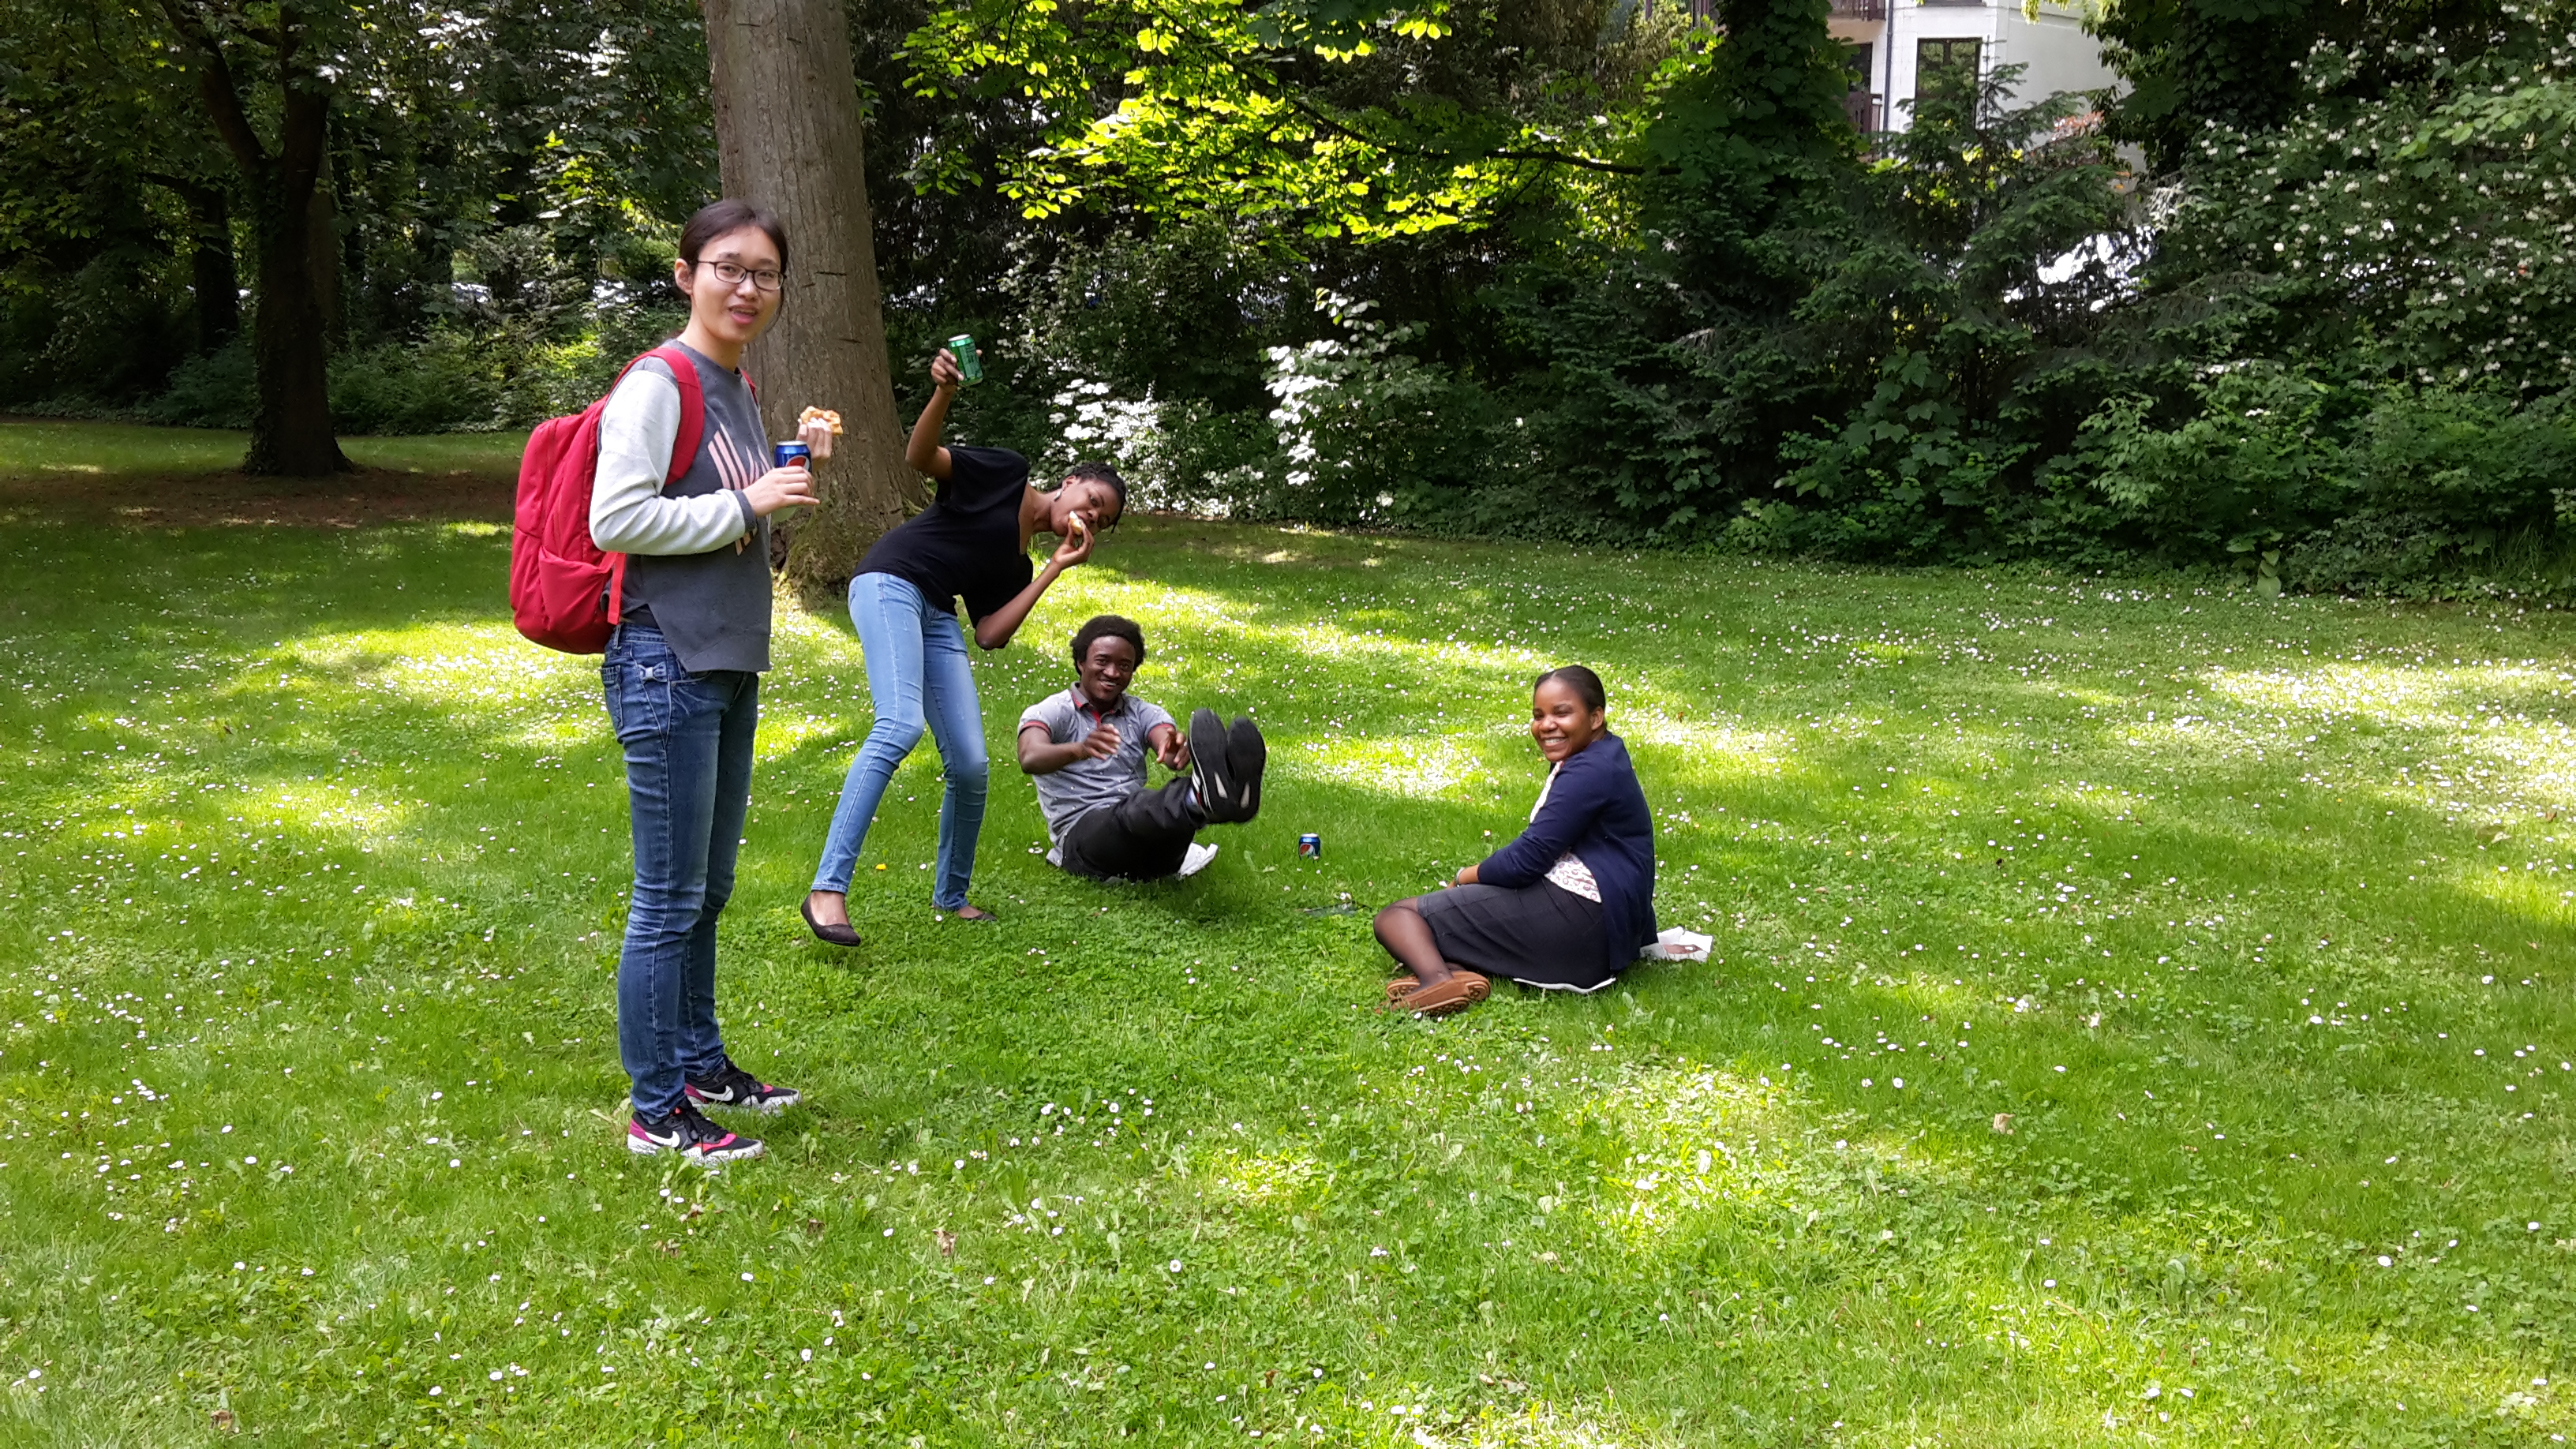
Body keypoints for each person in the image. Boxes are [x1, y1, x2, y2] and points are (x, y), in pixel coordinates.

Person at [593, 199, 835, 1163]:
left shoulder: (735, 385)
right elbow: (617, 518)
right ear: (686, 274)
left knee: (708, 888)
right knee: (667, 896)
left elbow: (734, 510)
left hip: (726, 660)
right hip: (667, 658)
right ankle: (658, 1113)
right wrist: (747, 499)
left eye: (764, 273)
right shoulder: (661, 382)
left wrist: (788, 475)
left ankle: (700, 1066)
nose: (747, 287)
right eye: (728, 267)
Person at [803, 351, 1128, 943]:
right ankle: (827, 890)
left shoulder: (1020, 562)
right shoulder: (1007, 473)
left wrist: (1054, 567)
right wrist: (944, 394)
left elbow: (990, 634)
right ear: (1070, 483)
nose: (1089, 517)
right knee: (899, 725)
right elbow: (921, 457)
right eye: (1092, 502)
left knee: (972, 764)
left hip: (935, 611)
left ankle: (951, 896)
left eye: (1100, 521)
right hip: (890, 581)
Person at [1374, 666, 1656, 1017]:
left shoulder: (1589, 771)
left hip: (1580, 929)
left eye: (1562, 713)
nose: (1546, 725)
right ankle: (1457, 971)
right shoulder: (1606, 753)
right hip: (1606, 927)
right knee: (1446, 922)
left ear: (1596, 717)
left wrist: (1464, 877)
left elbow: (1527, 860)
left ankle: (1437, 981)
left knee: (1397, 917)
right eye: (1539, 716)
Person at [1017, 615, 1265, 881]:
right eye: (1102, 661)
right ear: (1081, 662)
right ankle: (1202, 800)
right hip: (1084, 844)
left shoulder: (1143, 712)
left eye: (1124, 666)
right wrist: (1079, 750)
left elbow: (1164, 742)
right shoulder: (1053, 710)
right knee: (1136, 809)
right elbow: (1030, 757)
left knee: (1164, 804)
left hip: (1154, 855)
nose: (1113, 673)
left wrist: (1174, 750)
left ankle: (1219, 795)